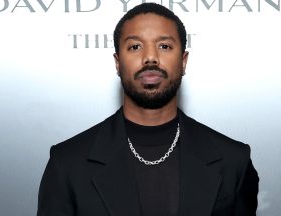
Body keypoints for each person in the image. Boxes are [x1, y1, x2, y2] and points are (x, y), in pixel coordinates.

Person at [37, 2, 259, 216]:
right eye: (135, 46)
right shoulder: (67, 163)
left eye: (164, 46)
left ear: (183, 61)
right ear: (117, 62)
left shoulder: (233, 161)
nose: (150, 57)